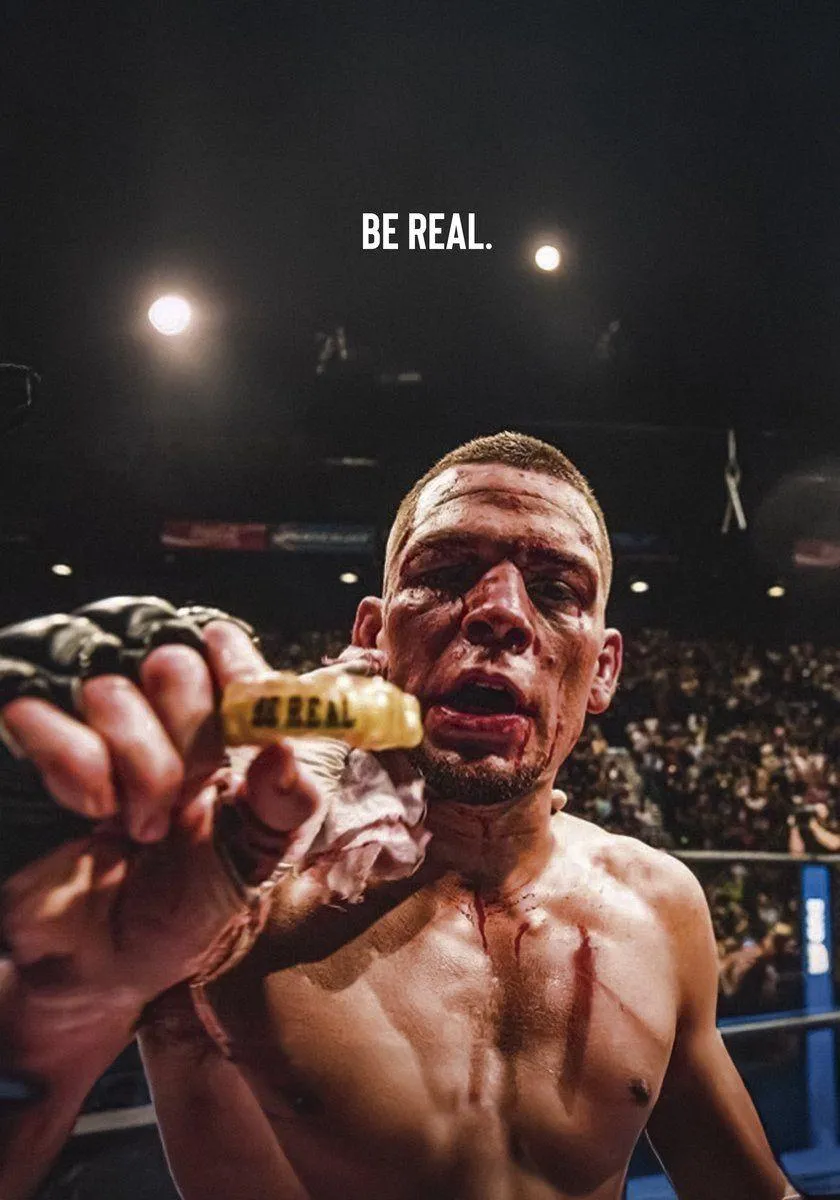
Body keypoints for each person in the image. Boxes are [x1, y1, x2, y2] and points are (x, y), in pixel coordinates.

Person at [0, 432, 803, 1200]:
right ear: (372, 638)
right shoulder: (220, 903)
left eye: (556, 590)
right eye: (449, 572)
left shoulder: (658, 905)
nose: (501, 613)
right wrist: (63, 1013)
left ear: (605, 671)